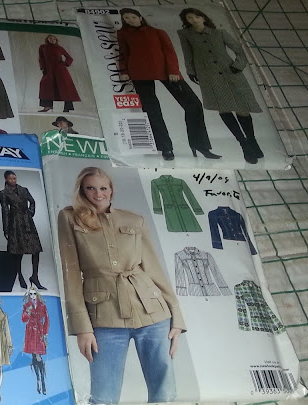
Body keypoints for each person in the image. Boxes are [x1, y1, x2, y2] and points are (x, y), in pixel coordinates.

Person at [57, 167, 186, 404]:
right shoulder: (69, 218)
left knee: (165, 393)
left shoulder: (134, 220)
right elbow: (71, 276)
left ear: (111, 190)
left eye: (103, 188)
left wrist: (176, 317)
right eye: (90, 188)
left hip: (153, 313)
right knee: (103, 397)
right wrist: (82, 327)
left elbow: (154, 269)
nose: (98, 194)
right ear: (82, 191)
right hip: (104, 316)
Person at [117, 8, 219, 161]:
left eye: (133, 17)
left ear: (140, 17)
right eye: (126, 18)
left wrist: (173, 71)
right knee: (152, 110)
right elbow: (123, 53)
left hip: (165, 71)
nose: (130, 20)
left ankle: (200, 145)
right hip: (139, 73)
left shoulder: (157, 32)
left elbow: (169, 52)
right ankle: (165, 148)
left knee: (193, 104)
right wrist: (124, 70)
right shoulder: (123, 34)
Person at [178, 8, 264, 164]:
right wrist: (191, 72)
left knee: (242, 108)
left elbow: (240, 51)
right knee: (223, 108)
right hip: (208, 76)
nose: (194, 20)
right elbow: (187, 54)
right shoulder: (186, 35)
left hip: (230, 73)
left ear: (203, 18)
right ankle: (244, 145)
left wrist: (238, 66)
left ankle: (252, 141)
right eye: (189, 18)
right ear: (186, 21)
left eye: (197, 16)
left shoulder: (220, 33)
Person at [0, 171, 45, 290]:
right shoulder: (3, 193)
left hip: (27, 221)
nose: (13, 180)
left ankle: (35, 276)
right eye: (11, 178)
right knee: (18, 252)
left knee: (36, 250)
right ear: (6, 179)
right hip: (15, 223)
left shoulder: (24, 190)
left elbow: (32, 201)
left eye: (15, 178)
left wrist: (30, 212)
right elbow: (5, 211)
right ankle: (19, 275)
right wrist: (6, 229)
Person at [37, 35, 81, 113]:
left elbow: (69, 58)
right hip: (49, 70)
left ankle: (67, 107)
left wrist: (65, 63)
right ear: (47, 39)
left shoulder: (59, 48)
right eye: (50, 38)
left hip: (60, 71)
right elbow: (41, 58)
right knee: (45, 86)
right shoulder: (43, 47)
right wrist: (42, 68)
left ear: (56, 40)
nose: (52, 40)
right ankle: (47, 106)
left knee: (65, 88)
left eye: (54, 39)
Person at [22, 286, 48, 395]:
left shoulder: (42, 305)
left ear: (37, 294)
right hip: (30, 332)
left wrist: (45, 333)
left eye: (34, 294)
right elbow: (23, 319)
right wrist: (27, 312)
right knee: (34, 356)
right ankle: (38, 380)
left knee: (38, 356)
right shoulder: (26, 305)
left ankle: (42, 380)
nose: (32, 296)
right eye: (30, 294)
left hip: (39, 332)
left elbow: (46, 319)